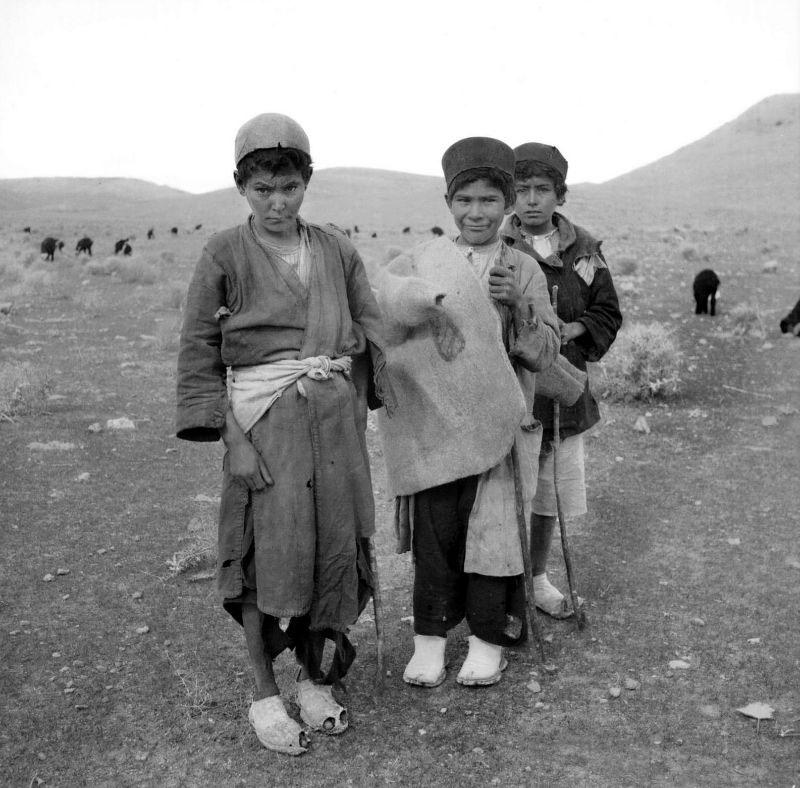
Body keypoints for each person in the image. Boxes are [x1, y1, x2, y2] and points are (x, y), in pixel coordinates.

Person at [175, 113, 391, 755]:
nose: (277, 202)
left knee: (333, 545)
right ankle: (264, 692)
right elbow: (198, 349)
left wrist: (357, 401)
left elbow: (370, 325)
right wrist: (234, 441)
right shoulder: (223, 252)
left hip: (333, 424)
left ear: (307, 182)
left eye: (289, 187)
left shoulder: (336, 249)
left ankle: (314, 678)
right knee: (263, 553)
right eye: (262, 189)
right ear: (241, 186)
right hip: (264, 427)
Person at [375, 137, 560, 688]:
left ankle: (486, 642)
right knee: (436, 533)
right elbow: (393, 325)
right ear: (448, 203)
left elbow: (546, 353)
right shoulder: (424, 263)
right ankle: (429, 642)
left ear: (507, 204)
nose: (476, 212)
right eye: (464, 201)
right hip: (436, 428)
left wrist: (520, 307)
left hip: (501, 429)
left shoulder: (524, 269)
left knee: (494, 536)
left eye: (489, 200)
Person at [501, 142, 622, 617]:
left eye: (542, 190)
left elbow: (607, 310)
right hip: (511, 389)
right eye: (522, 190)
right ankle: (499, 588)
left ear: (560, 195)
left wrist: (574, 329)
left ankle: (537, 578)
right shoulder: (498, 247)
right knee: (506, 491)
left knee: (548, 491)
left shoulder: (584, 250)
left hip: (564, 386)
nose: (531, 200)